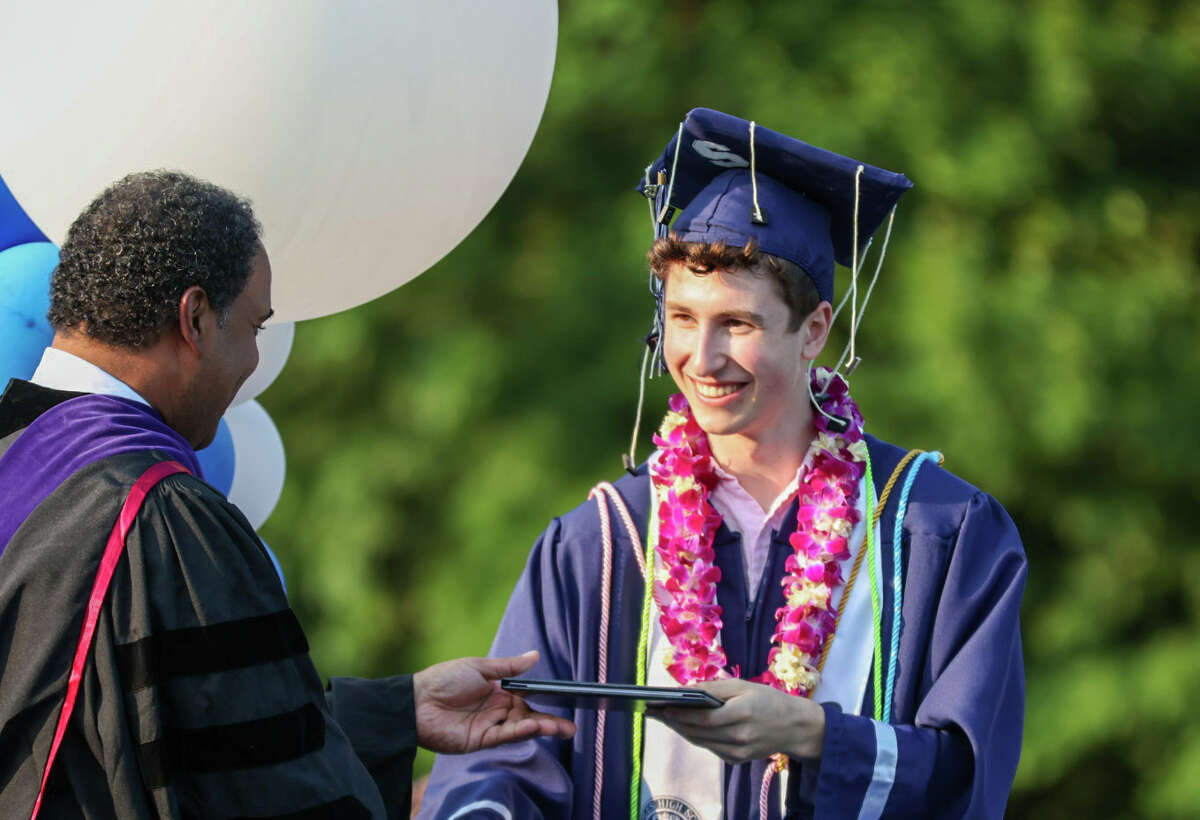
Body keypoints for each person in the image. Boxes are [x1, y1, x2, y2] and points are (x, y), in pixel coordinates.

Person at [418, 109, 1026, 820]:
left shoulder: (935, 534)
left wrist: (818, 736)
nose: (701, 361)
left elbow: (968, 772)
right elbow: (507, 761)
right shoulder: (603, 544)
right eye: (681, 318)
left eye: (736, 324)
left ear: (815, 331)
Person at [0, 170, 574, 819]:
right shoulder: (162, 520)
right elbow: (262, 788)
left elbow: (174, 738)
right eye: (255, 326)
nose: (252, 363)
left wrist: (394, 711)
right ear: (194, 318)